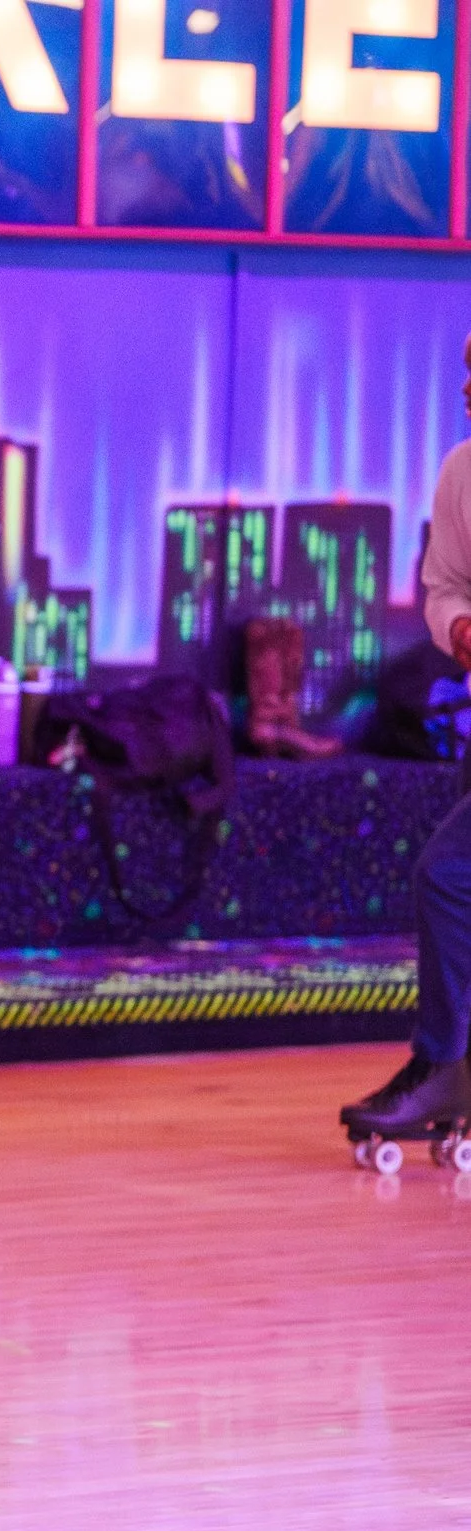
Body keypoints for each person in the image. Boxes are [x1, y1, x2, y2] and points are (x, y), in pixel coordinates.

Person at [344, 332, 471, 1144]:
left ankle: (444, 1065)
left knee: (449, 875)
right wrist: (460, 629)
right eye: (466, 369)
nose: (468, 386)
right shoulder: (462, 470)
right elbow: (443, 587)